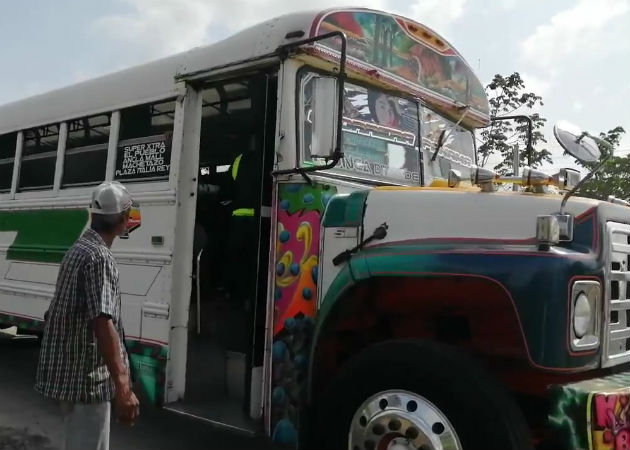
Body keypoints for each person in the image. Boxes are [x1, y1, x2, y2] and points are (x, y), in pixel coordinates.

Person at [35, 181, 140, 450]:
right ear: (125, 221)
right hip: (88, 382)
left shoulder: (78, 249)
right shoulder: (99, 257)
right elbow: (102, 322)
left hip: (72, 375)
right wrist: (123, 387)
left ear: (93, 215)